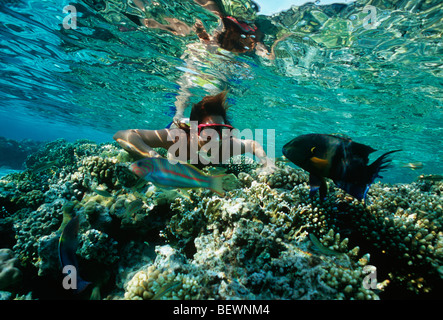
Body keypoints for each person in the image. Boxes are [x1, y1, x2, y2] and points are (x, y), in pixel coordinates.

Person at [113, 91, 275, 171]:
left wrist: (266, 161)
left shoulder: (226, 143)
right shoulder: (178, 139)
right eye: (209, 130)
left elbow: (253, 144)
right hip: (181, 125)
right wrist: (151, 154)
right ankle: (180, 109)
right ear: (195, 130)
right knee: (179, 116)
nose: (216, 137)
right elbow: (123, 134)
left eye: (222, 129)